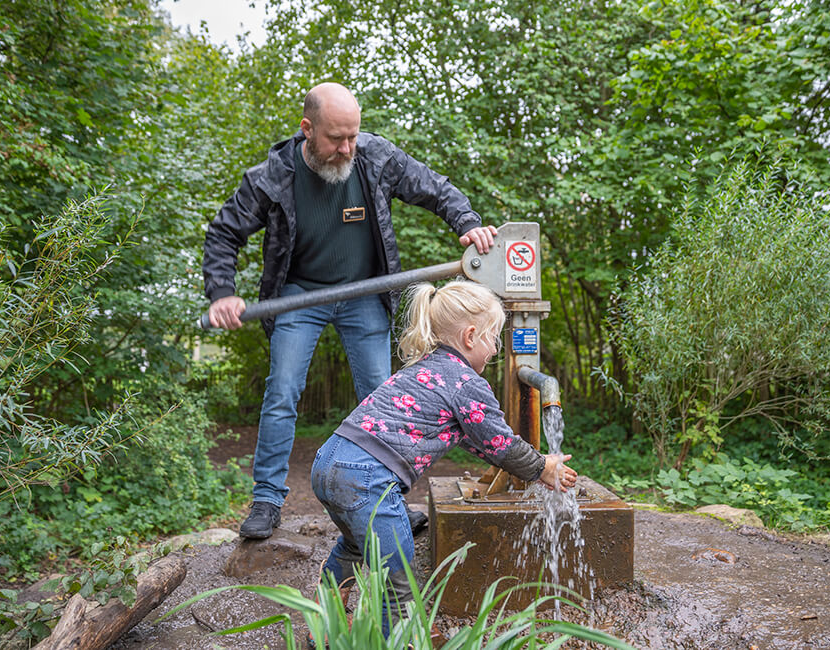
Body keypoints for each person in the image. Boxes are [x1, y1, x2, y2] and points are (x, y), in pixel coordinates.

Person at [202, 82, 498, 540]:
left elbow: (433, 187)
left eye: (352, 137)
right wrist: (222, 290)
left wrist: (468, 224)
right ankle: (266, 500)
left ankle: (387, 499)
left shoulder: (375, 157)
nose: (346, 148)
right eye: (335, 138)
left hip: (365, 296)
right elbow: (224, 234)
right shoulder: (273, 176)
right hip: (299, 295)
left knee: (384, 398)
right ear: (307, 130)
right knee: (281, 392)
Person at [309, 280, 578, 638]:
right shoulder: (465, 381)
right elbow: (500, 442)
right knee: (397, 578)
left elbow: (473, 439)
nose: (496, 348)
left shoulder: (424, 369)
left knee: (354, 545)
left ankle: (322, 628)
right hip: (367, 479)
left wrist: (528, 463)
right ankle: (404, 640)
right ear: (470, 336)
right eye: (494, 338)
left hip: (329, 462)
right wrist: (541, 466)